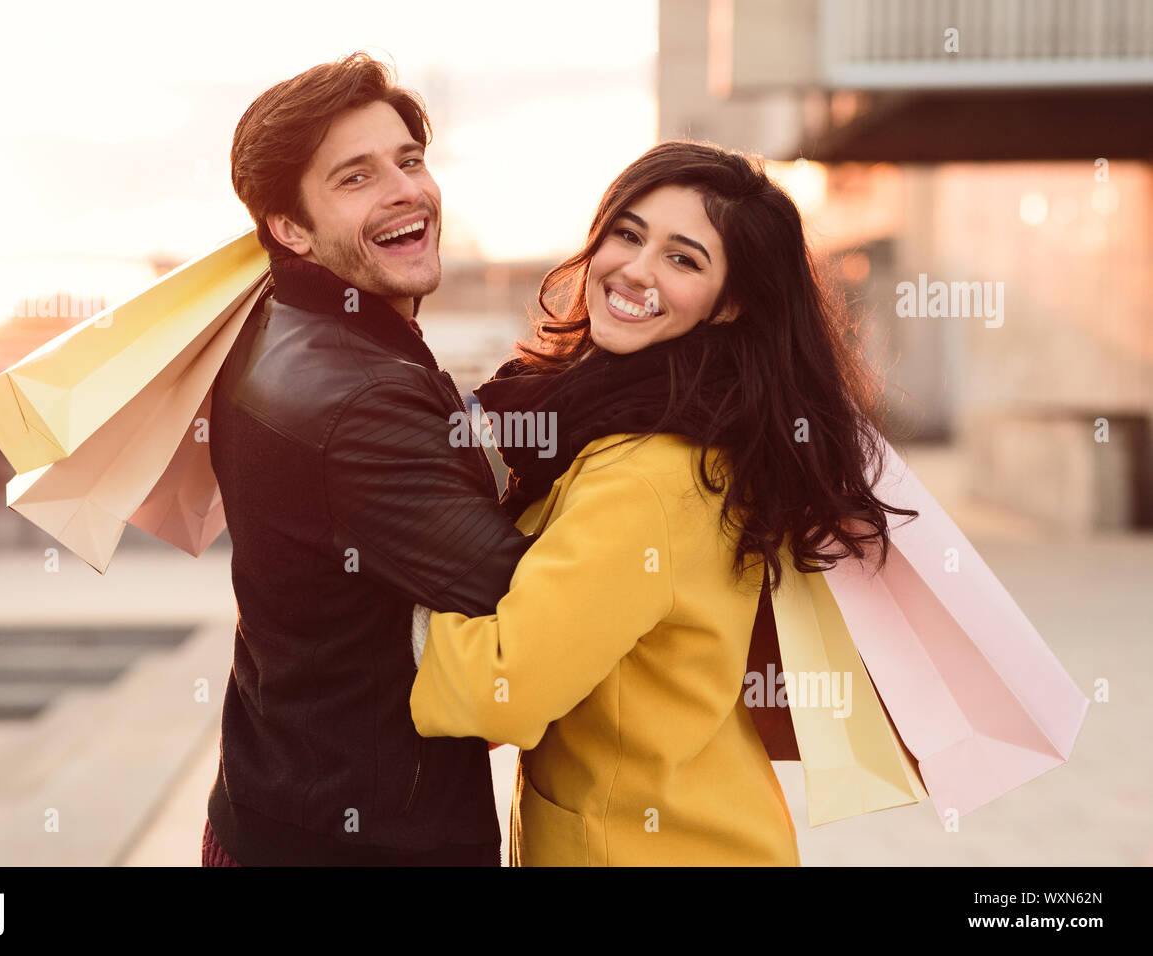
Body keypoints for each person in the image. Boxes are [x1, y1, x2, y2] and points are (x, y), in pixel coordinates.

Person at [408, 140, 918, 866]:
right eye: (628, 233)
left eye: (683, 259)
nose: (636, 270)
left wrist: (378, 616)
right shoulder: (674, 426)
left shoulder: (651, 473)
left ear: (730, 302)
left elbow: (503, 688)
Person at [204, 52, 534, 866]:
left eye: (410, 161)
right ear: (289, 228)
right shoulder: (357, 399)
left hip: (273, 805)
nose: (405, 192)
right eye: (355, 178)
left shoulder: (275, 326)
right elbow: (525, 602)